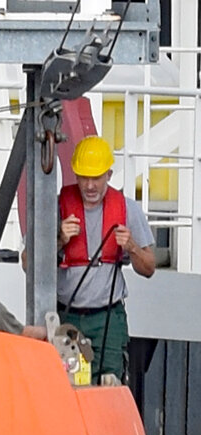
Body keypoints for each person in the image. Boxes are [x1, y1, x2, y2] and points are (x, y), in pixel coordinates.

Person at [56, 136, 156, 384]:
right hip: (69, 317)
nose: (90, 186)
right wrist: (59, 239)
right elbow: (28, 263)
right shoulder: (56, 207)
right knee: (71, 386)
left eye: (96, 177)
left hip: (107, 318)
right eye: (84, 177)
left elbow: (149, 267)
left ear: (109, 175)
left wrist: (131, 245)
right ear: (75, 175)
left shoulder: (127, 209)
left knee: (110, 383)